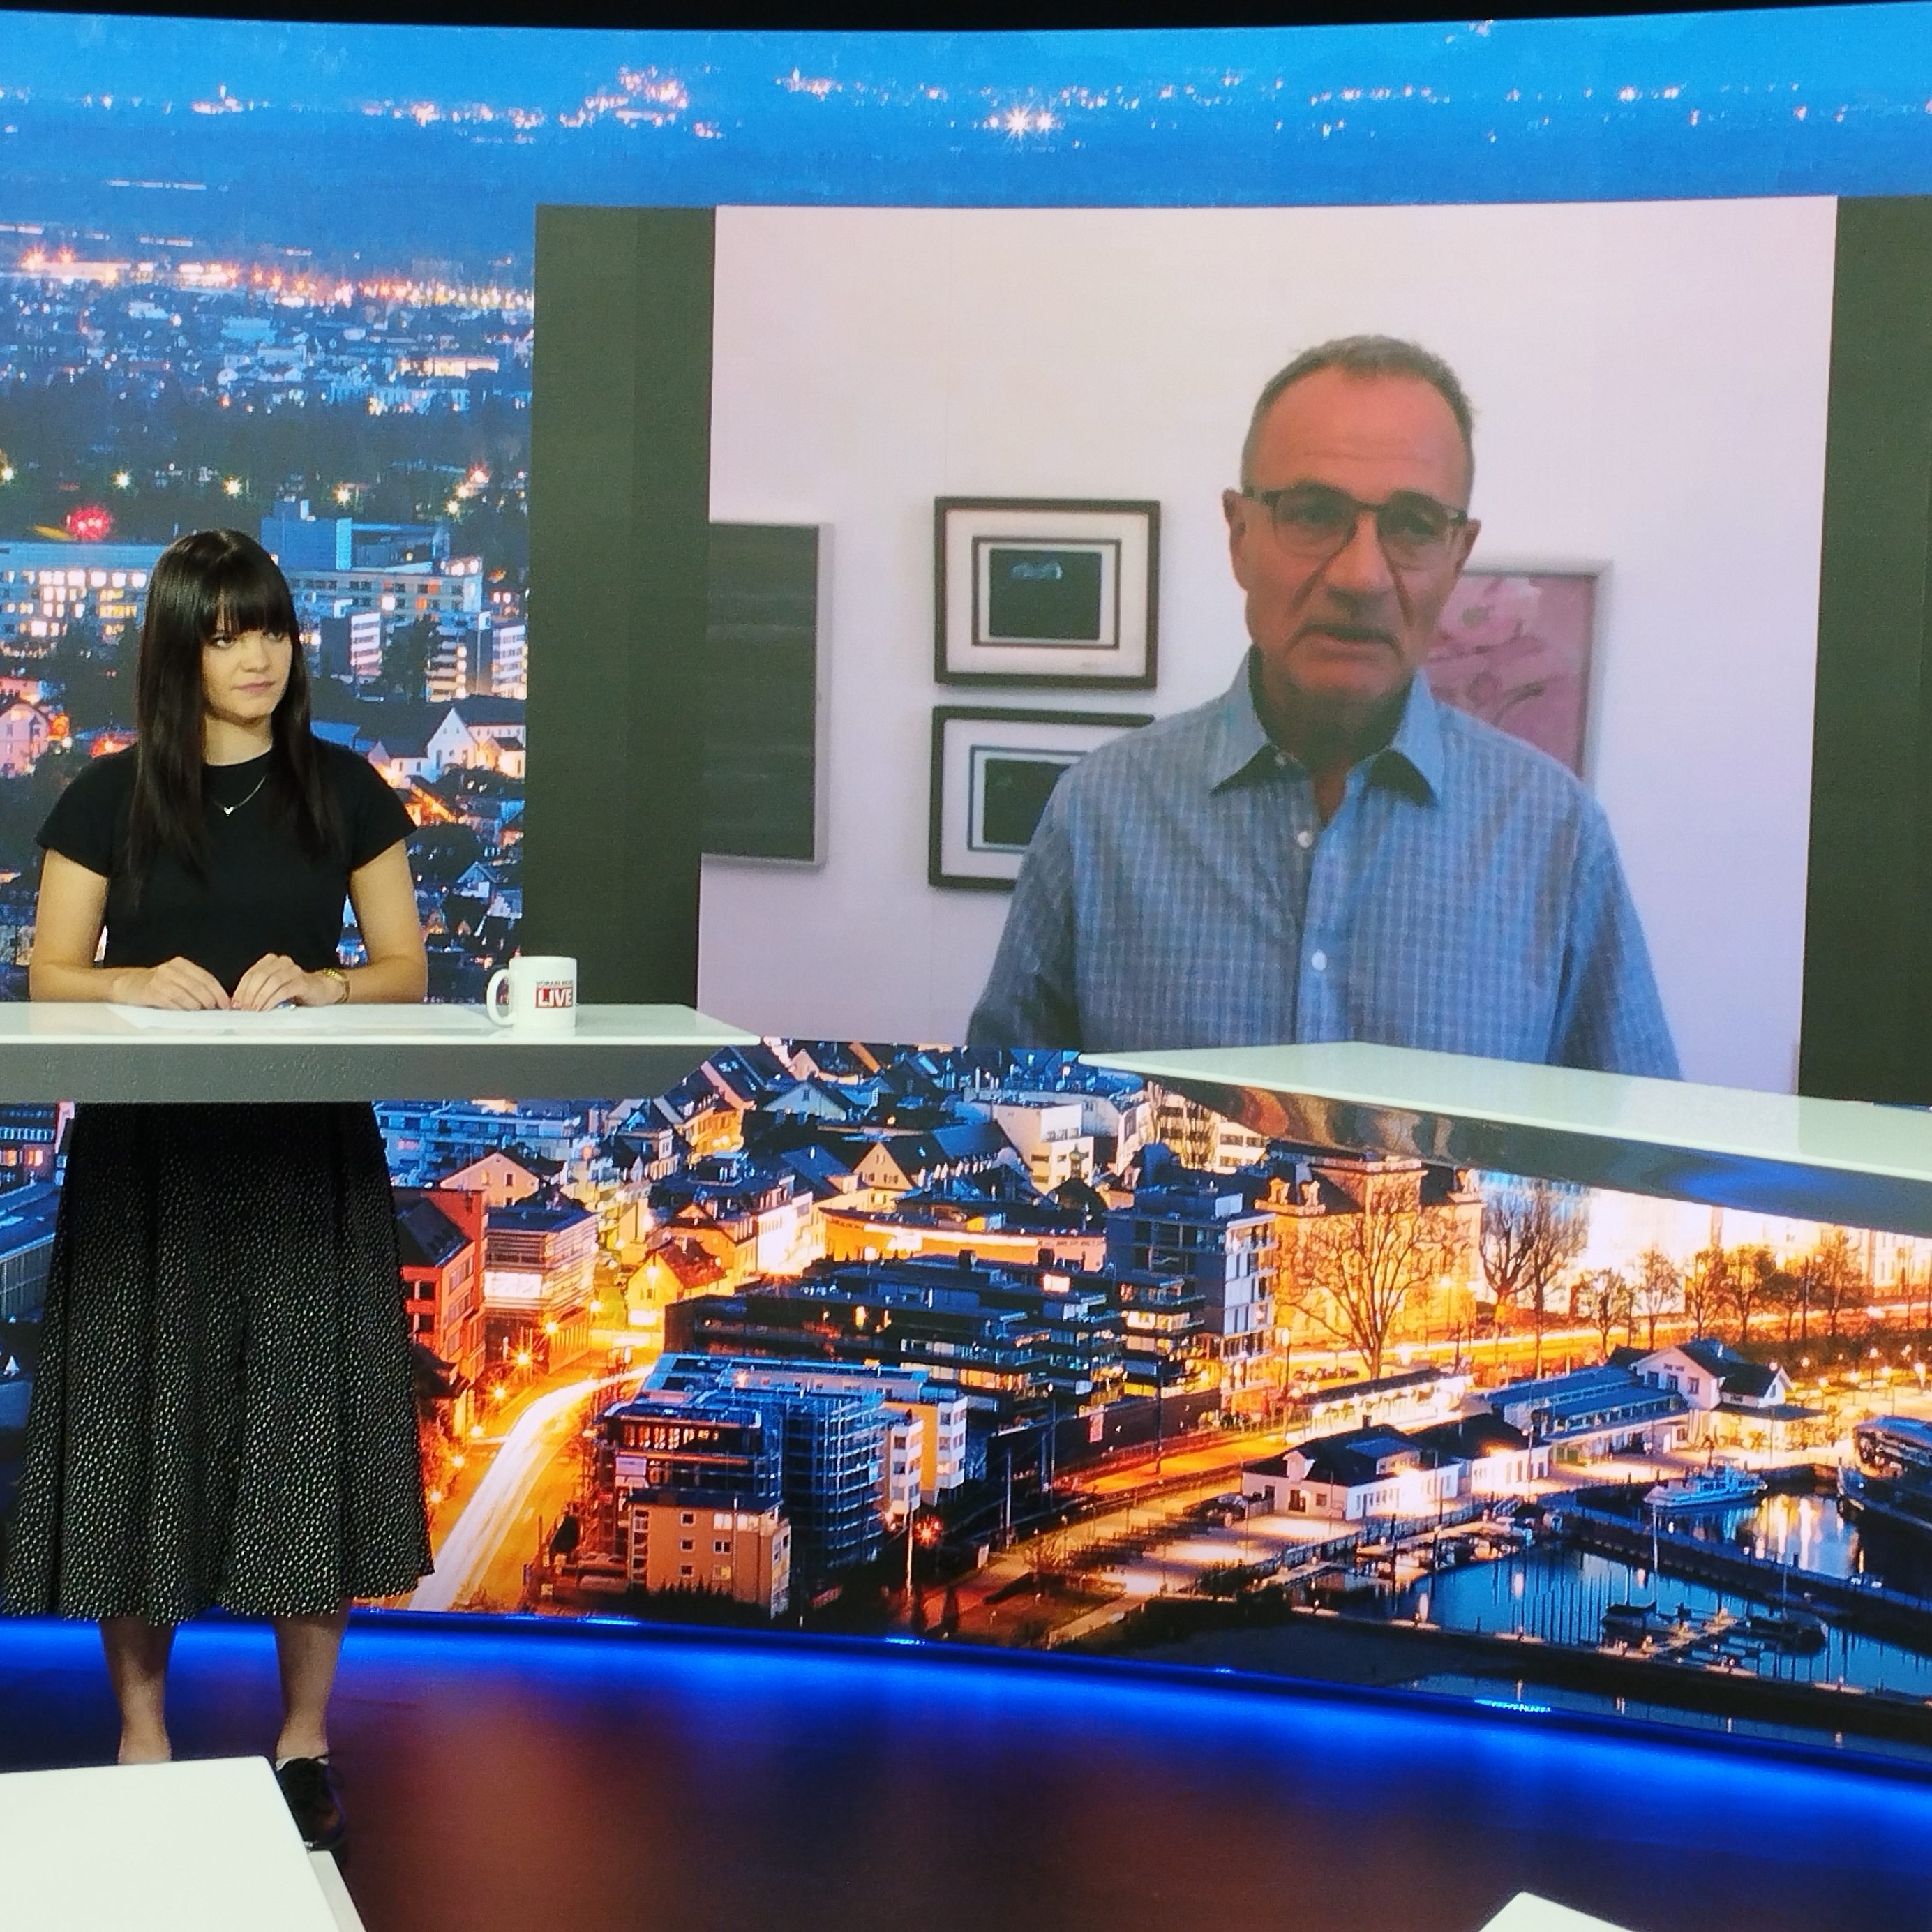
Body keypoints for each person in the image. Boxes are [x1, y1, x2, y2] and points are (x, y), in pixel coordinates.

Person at [1, 528, 433, 1851]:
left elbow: (406, 968)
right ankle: (143, 1734)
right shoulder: (107, 795)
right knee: (140, 1428)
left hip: (304, 1151)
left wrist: (329, 982)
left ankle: (304, 1738)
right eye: (227, 631)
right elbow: (48, 975)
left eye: (274, 628)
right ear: (178, 650)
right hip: (149, 1157)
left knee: (306, 1428)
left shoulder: (345, 788)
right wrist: (131, 978)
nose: (258, 655)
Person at [968, 334, 1679, 1077]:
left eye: (1412, 525)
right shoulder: (1099, 816)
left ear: (1457, 555)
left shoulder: (1555, 839)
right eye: (1312, 514)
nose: (1360, 577)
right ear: (1240, 537)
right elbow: (1001, 1113)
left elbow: (1634, 1140)